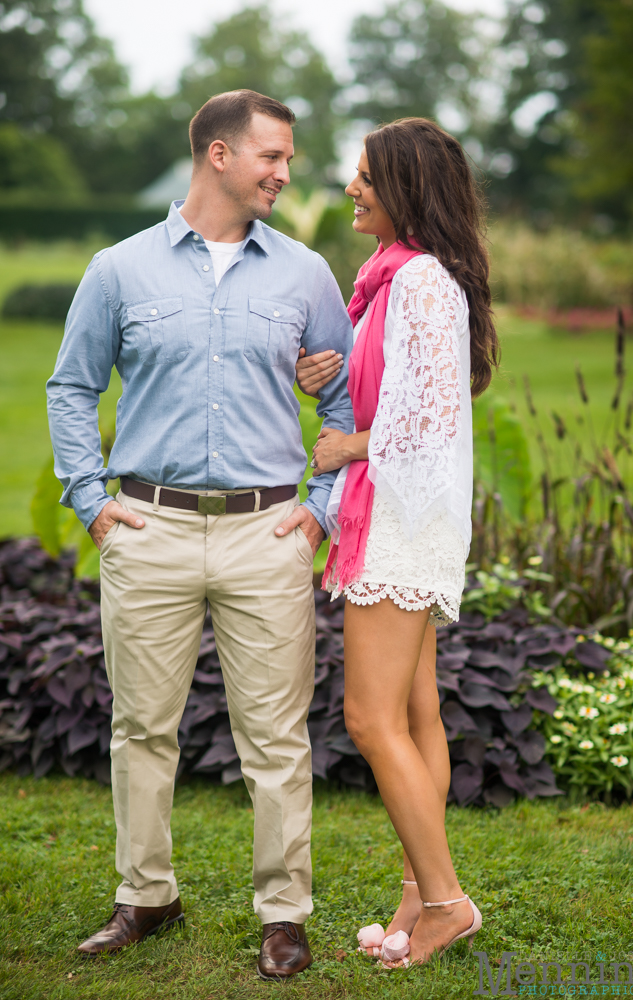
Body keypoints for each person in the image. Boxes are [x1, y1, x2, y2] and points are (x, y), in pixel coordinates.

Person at [46, 89, 353, 980]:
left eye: (288, 159)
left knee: (277, 737)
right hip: (148, 528)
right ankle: (146, 896)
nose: (285, 174)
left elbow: (339, 403)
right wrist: (90, 499)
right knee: (142, 727)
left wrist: (320, 509)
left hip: (266, 533)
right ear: (218, 155)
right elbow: (71, 387)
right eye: (272, 157)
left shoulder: (303, 274)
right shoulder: (119, 269)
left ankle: (284, 913)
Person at [296, 118, 499, 968]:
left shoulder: (416, 282)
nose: (351, 187)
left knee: (369, 718)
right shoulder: (393, 281)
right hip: (405, 512)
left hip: (400, 517)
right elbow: (403, 388)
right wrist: (331, 378)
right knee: (415, 714)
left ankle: (448, 903)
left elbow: (430, 420)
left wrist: (350, 445)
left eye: (366, 178)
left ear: (406, 190)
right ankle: (417, 900)